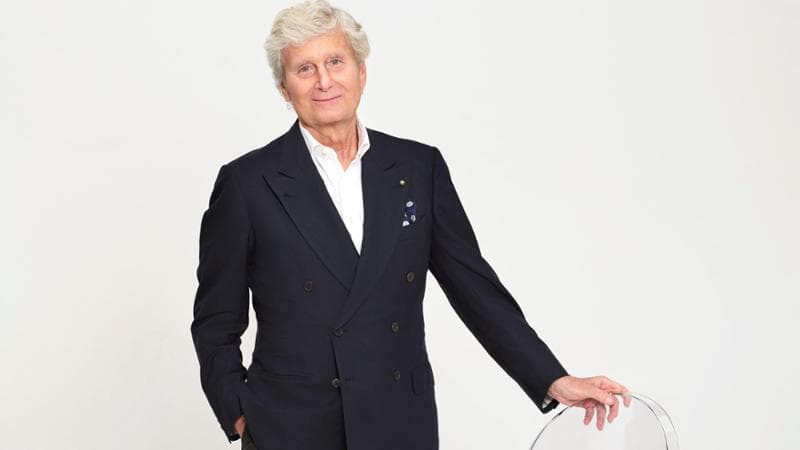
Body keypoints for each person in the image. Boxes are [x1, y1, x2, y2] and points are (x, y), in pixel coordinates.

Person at [190, 1, 630, 449]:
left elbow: (475, 289)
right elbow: (215, 322)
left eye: (335, 62)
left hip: (399, 419)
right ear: (284, 88)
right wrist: (242, 415)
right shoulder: (248, 183)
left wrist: (552, 378)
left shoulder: (418, 168)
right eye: (305, 69)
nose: (324, 81)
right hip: (292, 428)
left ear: (362, 71)